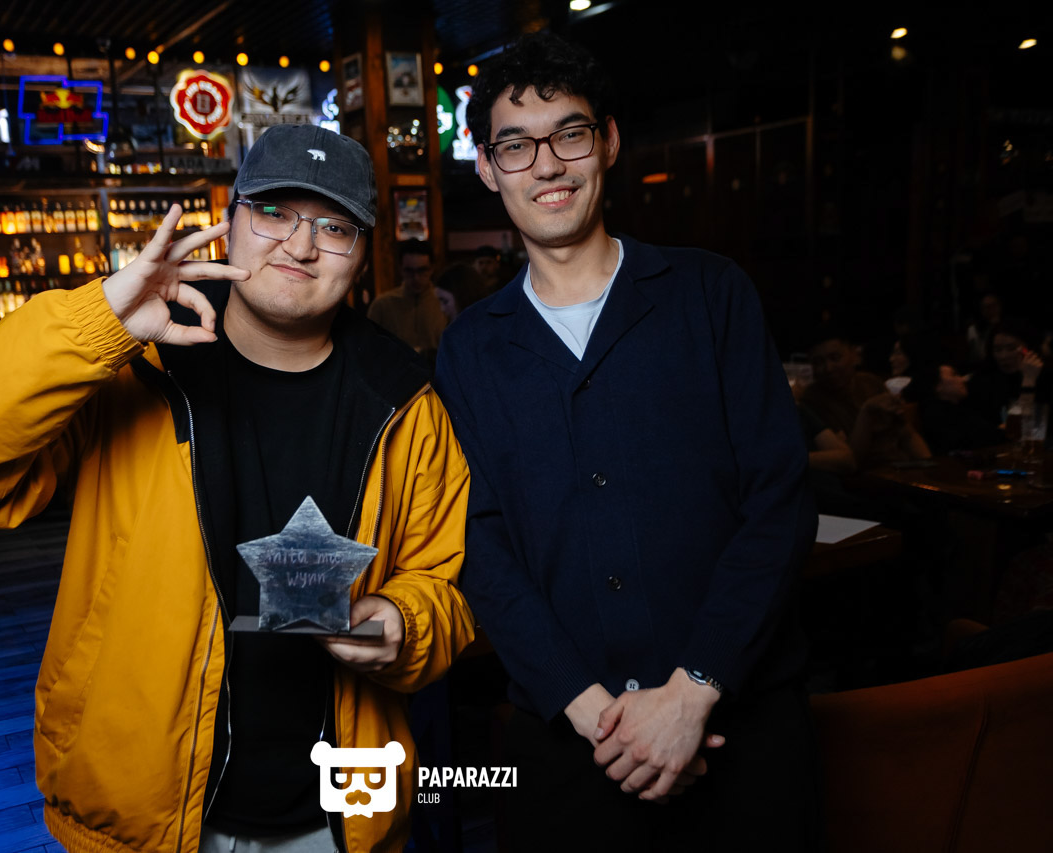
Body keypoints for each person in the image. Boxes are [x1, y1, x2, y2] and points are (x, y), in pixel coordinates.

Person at [0, 125, 475, 853]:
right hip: (138, 813)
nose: (299, 245)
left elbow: (445, 587)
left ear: (363, 251)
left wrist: (403, 621)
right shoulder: (133, 364)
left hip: (338, 816)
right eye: (274, 213)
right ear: (229, 219)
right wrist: (100, 321)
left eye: (334, 226)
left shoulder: (406, 403)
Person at [433, 32, 820, 851]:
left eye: (569, 134)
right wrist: (593, 711)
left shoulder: (710, 294)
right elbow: (479, 543)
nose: (547, 165)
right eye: (516, 145)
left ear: (607, 141)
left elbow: (780, 500)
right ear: (489, 169)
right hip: (566, 745)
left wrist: (693, 690)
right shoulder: (468, 349)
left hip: (740, 726)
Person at [802, 333, 932, 468]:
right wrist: (866, 413)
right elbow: (849, 461)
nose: (828, 368)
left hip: (899, 466)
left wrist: (929, 464)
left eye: (835, 358)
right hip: (866, 475)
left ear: (854, 355)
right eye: (818, 362)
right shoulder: (812, 401)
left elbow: (907, 434)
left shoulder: (869, 382)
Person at [366, 240, 448, 356]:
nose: (416, 278)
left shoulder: (444, 302)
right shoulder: (382, 305)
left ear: (432, 269)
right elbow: (369, 347)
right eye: (409, 271)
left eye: (422, 270)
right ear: (400, 269)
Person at [905, 363, 1005, 454]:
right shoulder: (936, 414)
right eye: (954, 375)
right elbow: (964, 442)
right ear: (938, 386)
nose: (962, 379)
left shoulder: (962, 407)